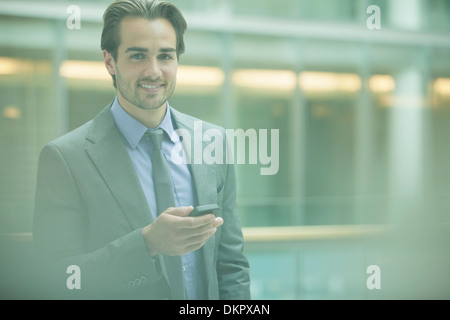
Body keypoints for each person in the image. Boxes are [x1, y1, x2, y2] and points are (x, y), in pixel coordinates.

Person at [33, 0, 250, 300]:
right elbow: (55, 278)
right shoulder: (65, 158)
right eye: (137, 56)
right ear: (110, 61)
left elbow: (231, 264)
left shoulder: (213, 142)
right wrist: (147, 244)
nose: (154, 71)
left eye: (165, 56)